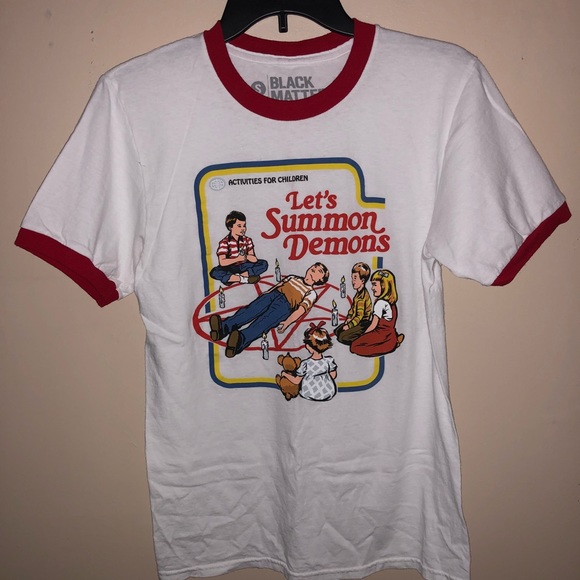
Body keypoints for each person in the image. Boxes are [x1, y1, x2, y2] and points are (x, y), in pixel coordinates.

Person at [209, 263, 330, 358]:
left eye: (319, 271)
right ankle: (222, 328)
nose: (314, 269)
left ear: (320, 280)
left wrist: (288, 322)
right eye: (314, 267)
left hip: (285, 306)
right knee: (249, 311)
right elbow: (278, 286)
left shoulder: (311, 293)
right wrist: (266, 294)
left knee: (263, 323)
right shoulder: (293, 277)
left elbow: (301, 310)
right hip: (272, 295)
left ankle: (238, 341)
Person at [350, 269, 404, 357]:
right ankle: (393, 341)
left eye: (374, 285)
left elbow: (373, 325)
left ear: (384, 286)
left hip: (380, 334)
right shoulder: (392, 303)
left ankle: (389, 346)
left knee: (354, 347)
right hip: (390, 335)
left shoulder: (380, 303)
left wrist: (363, 335)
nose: (372, 288)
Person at [280, 322, 338, 402]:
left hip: (309, 393)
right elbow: (333, 375)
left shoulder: (305, 363)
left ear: (308, 346)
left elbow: (296, 381)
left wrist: (284, 374)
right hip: (328, 392)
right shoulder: (329, 360)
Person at [209, 210, 268, 285]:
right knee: (215, 272)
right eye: (239, 226)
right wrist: (237, 259)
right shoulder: (225, 242)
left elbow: (254, 259)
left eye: (244, 226)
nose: (243, 228)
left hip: (245, 266)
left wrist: (245, 257)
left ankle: (234, 278)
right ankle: (243, 278)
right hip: (231, 267)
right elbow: (222, 262)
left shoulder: (247, 240)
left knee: (263, 264)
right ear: (230, 227)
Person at [334, 262, 373, 345]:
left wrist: (349, 326)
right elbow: (352, 309)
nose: (353, 281)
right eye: (352, 278)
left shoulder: (362, 297)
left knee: (342, 337)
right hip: (355, 321)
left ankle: (362, 338)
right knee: (337, 331)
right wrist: (349, 317)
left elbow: (359, 316)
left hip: (362, 323)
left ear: (362, 280)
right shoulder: (358, 294)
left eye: (355, 278)